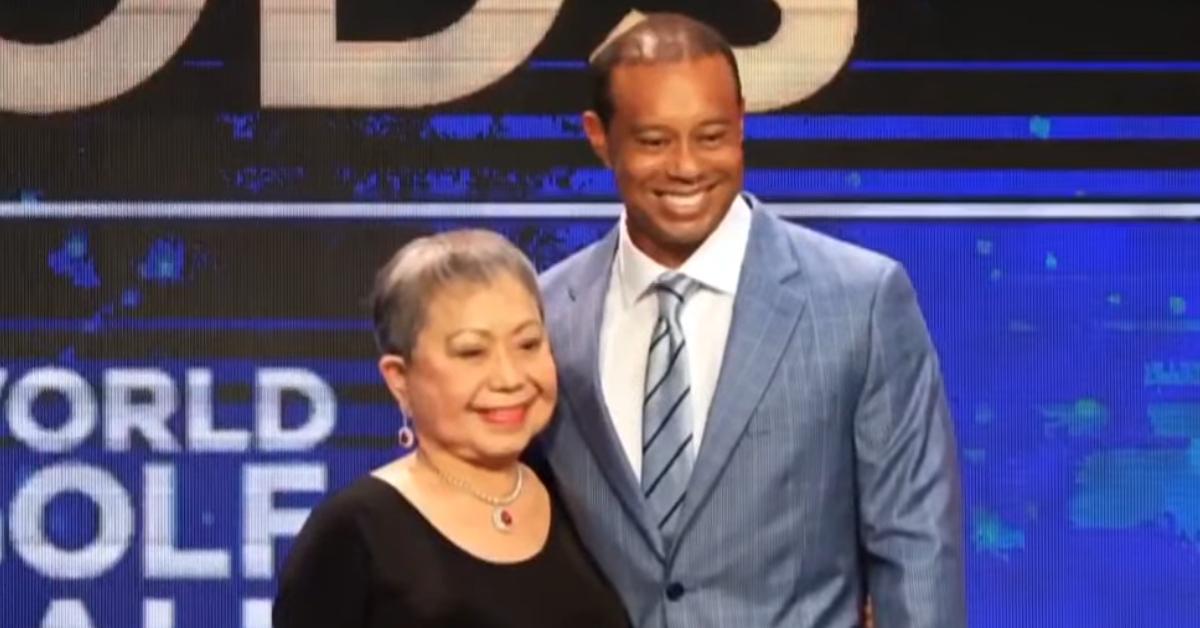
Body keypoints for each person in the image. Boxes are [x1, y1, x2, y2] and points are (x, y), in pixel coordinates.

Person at [537, 13, 966, 628]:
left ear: (741, 123)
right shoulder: (546, 315)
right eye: (654, 141)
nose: (686, 167)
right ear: (599, 137)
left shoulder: (860, 301)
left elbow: (917, 547)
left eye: (711, 136)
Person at [273, 229, 630, 628]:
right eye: (472, 352)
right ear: (399, 378)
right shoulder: (354, 534)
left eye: (528, 344)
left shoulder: (579, 496)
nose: (510, 378)